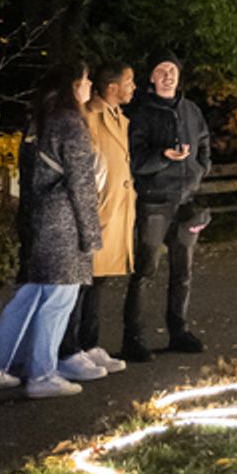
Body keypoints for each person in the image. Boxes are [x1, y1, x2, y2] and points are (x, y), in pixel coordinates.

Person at [0, 61, 104, 399]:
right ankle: (42, 374)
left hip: (36, 219)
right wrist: (90, 234)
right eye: (87, 80)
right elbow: (81, 183)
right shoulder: (71, 123)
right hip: (63, 223)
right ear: (74, 86)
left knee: (29, 296)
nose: (90, 86)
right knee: (59, 299)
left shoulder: (38, 122)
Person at [123, 54, 211, 361]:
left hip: (186, 201)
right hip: (155, 202)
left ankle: (179, 331)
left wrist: (200, 169)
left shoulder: (191, 110)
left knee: (183, 271)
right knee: (145, 271)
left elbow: (203, 142)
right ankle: (133, 339)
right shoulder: (143, 114)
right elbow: (134, 159)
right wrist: (163, 156)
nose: (167, 76)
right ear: (151, 78)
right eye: (161, 71)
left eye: (172, 70)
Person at [59, 61, 137, 375]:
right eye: (129, 81)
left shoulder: (121, 119)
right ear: (112, 87)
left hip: (118, 210)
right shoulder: (88, 117)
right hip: (98, 210)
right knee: (80, 283)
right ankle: (69, 349)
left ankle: (90, 343)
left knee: (99, 282)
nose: (134, 86)